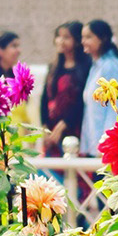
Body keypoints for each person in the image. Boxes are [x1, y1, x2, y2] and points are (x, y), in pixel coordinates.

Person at [79, 18, 118, 156]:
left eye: (88, 37)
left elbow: (115, 107)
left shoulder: (110, 66)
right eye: (82, 37)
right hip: (95, 144)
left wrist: (108, 142)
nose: (83, 41)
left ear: (102, 39)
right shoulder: (97, 65)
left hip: (105, 148)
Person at [41, 21, 90, 157]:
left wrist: (64, 124)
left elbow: (82, 101)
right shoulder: (54, 67)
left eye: (66, 37)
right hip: (52, 132)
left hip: (74, 130)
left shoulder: (86, 67)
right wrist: (44, 128)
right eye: (58, 36)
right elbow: (44, 98)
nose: (60, 41)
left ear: (77, 41)